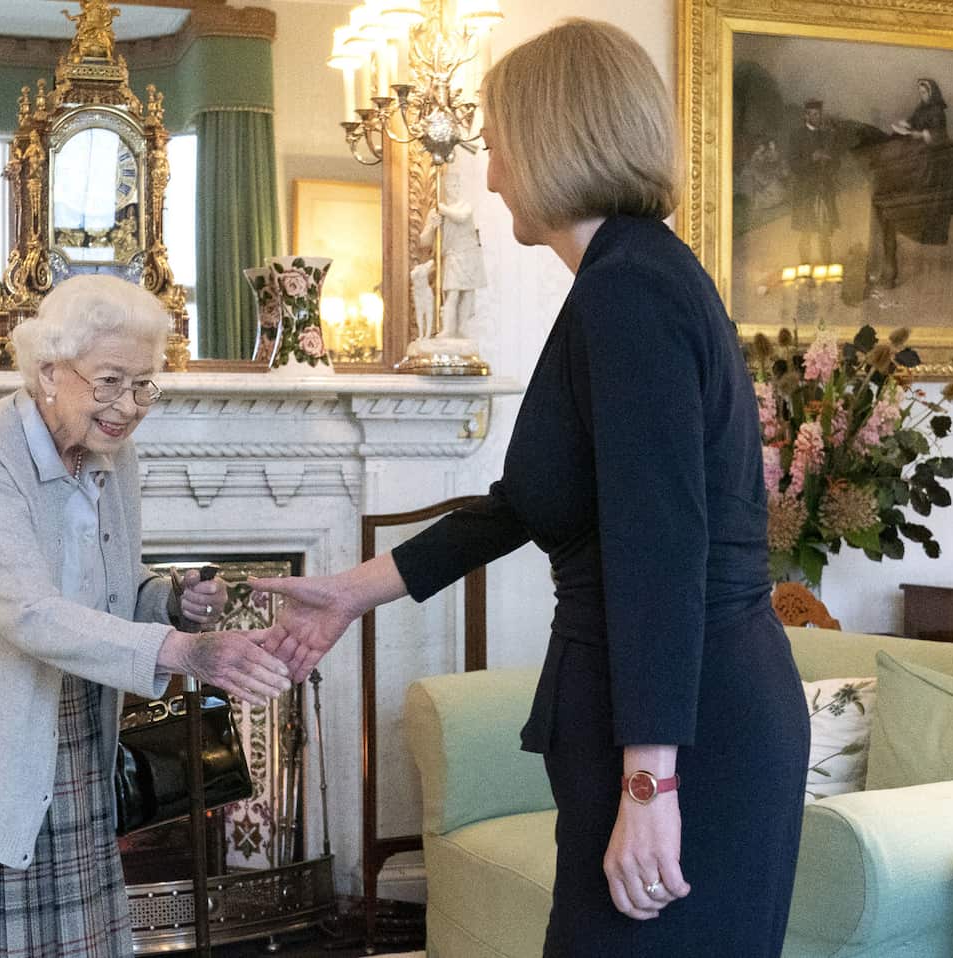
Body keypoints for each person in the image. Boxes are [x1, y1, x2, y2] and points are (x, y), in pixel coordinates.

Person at [252, 18, 809, 957]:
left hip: (693, 731)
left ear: (556, 136)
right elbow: (527, 503)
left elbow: (659, 546)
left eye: (499, 137)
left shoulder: (629, 288)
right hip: (670, 719)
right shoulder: (621, 278)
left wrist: (650, 785)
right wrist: (351, 591)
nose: (494, 167)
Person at [0, 274, 291, 957]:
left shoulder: (112, 456)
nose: (127, 406)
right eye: (108, 381)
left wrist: (169, 598)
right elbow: (30, 613)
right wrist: (184, 652)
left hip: (71, 731)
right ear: (49, 371)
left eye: (144, 385)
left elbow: (109, 586)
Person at [417, 167, 488, 339]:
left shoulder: (463, 206)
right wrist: (432, 227)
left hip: (469, 254)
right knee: (453, 293)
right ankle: (448, 329)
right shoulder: (436, 212)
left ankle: (462, 328)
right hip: (453, 256)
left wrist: (444, 210)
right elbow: (424, 241)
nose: (455, 190)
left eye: (457, 186)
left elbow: (462, 217)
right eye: (451, 186)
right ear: (445, 189)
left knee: (468, 295)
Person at [890, 77, 953, 244]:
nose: (922, 96)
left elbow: (938, 134)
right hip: (923, 146)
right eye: (920, 93)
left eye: (924, 92)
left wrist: (921, 134)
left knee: (926, 170)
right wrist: (904, 124)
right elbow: (914, 120)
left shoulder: (937, 110)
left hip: (938, 149)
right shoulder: (921, 108)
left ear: (931, 92)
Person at [789, 99, 840, 264]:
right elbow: (793, 165)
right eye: (814, 114)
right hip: (805, 192)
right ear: (806, 115)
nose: (817, 117)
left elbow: (837, 163)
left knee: (824, 232)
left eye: (819, 114)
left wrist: (831, 160)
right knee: (806, 232)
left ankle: (827, 267)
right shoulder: (797, 136)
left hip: (823, 189)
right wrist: (812, 158)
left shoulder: (827, 135)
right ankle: (805, 269)